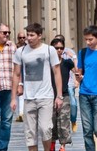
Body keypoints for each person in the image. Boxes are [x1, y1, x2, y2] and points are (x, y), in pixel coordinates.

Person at [12, 23, 63, 151]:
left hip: (46, 96)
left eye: (32, 35)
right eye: (27, 35)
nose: (29, 38)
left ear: (39, 35)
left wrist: (59, 95)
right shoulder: (20, 51)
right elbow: (16, 74)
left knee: (45, 129)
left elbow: (57, 72)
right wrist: (13, 98)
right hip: (28, 97)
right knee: (30, 133)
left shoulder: (49, 50)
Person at [51, 37, 75, 151]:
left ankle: (62, 147)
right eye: (56, 48)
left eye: (61, 48)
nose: (59, 50)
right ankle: (51, 146)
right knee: (51, 122)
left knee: (64, 120)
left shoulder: (67, 63)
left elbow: (77, 70)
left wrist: (73, 57)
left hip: (64, 95)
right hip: (50, 96)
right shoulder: (48, 64)